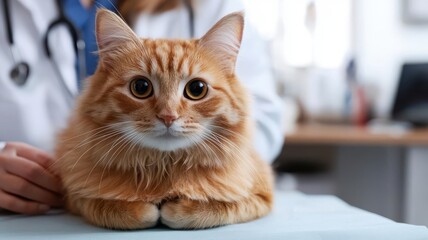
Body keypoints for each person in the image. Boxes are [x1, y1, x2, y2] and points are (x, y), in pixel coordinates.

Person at [0, 0, 284, 214]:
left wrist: (199, 176)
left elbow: (264, 117)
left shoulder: (209, 3)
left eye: (195, 90)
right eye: (141, 88)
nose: (169, 114)